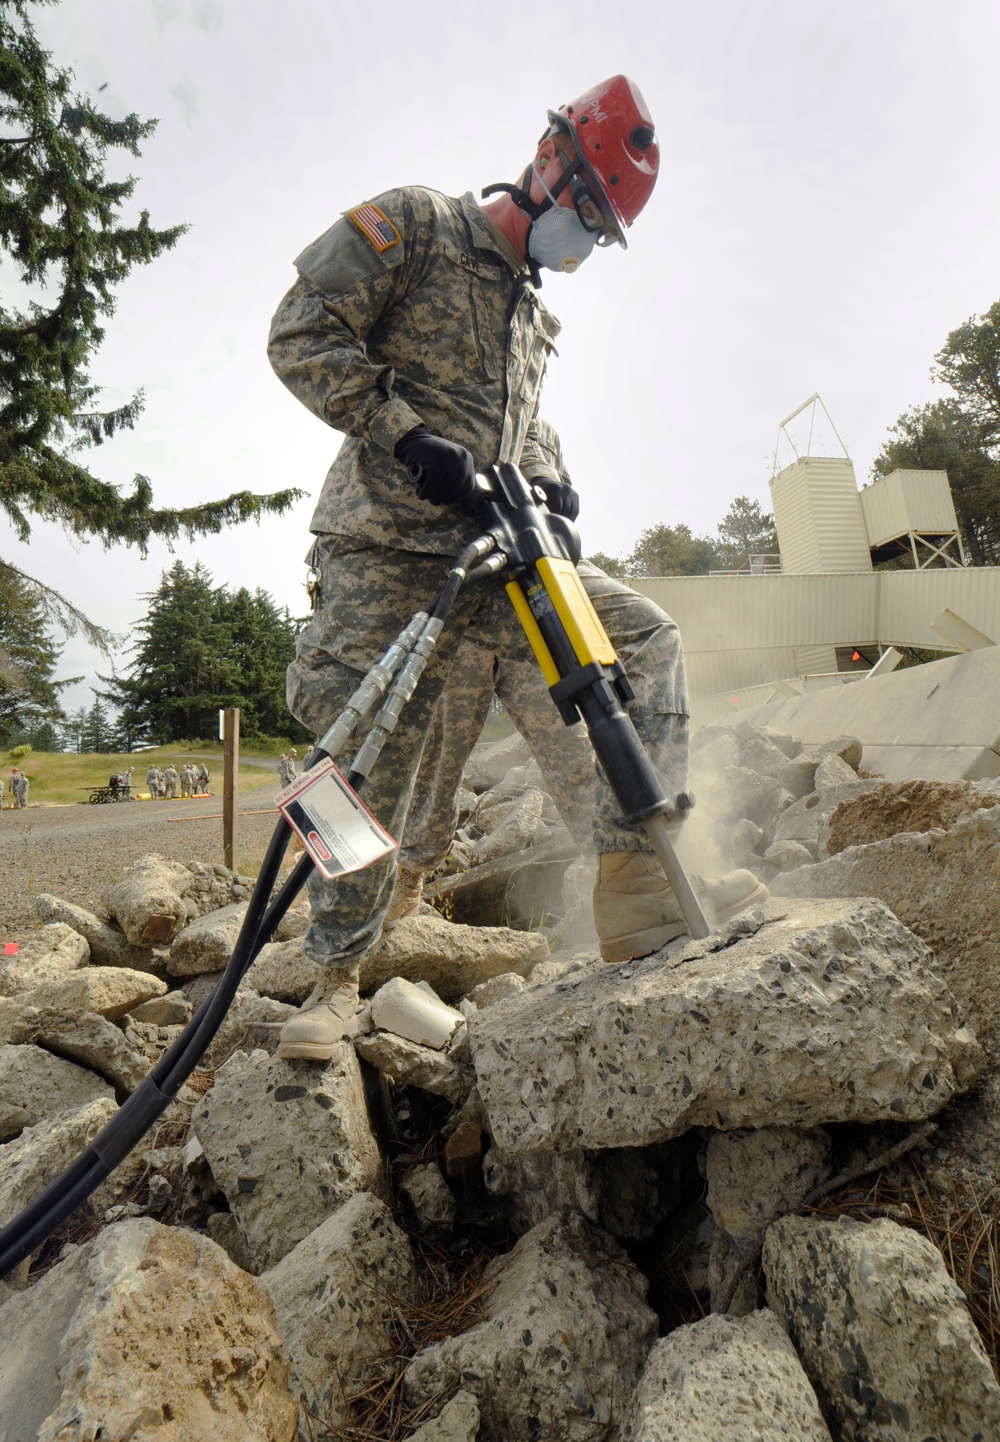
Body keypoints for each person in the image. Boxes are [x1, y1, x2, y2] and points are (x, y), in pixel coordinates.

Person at [267, 75, 765, 1061]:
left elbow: (521, 425)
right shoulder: (414, 226)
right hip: (385, 550)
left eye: (601, 232)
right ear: (545, 166)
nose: (583, 245)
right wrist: (403, 434)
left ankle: (635, 880)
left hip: (495, 554)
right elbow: (298, 333)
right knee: (356, 764)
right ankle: (331, 983)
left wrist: (555, 487)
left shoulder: (531, 313)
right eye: (586, 213)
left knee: (643, 640)